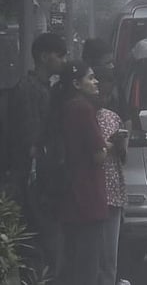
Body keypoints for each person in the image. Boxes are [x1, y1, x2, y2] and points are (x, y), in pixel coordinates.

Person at [5, 32, 69, 275]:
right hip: (33, 184)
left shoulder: (44, 89)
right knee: (43, 246)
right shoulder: (28, 91)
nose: (64, 60)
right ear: (44, 57)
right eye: (60, 55)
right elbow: (31, 142)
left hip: (43, 182)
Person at [51, 62, 110, 285]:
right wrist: (110, 146)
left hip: (69, 196)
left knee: (72, 264)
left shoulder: (63, 107)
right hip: (88, 198)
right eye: (91, 78)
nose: (96, 82)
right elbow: (98, 155)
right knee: (87, 267)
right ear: (76, 83)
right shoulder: (83, 108)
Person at [93, 63, 128, 285]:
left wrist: (120, 145)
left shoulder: (113, 117)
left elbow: (122, 159)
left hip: (113, 193)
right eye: (101, 92)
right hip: (91, 194)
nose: (104, 97)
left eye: (108, 93)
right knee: (92, 255)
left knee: (109, 257)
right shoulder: (80, 115)